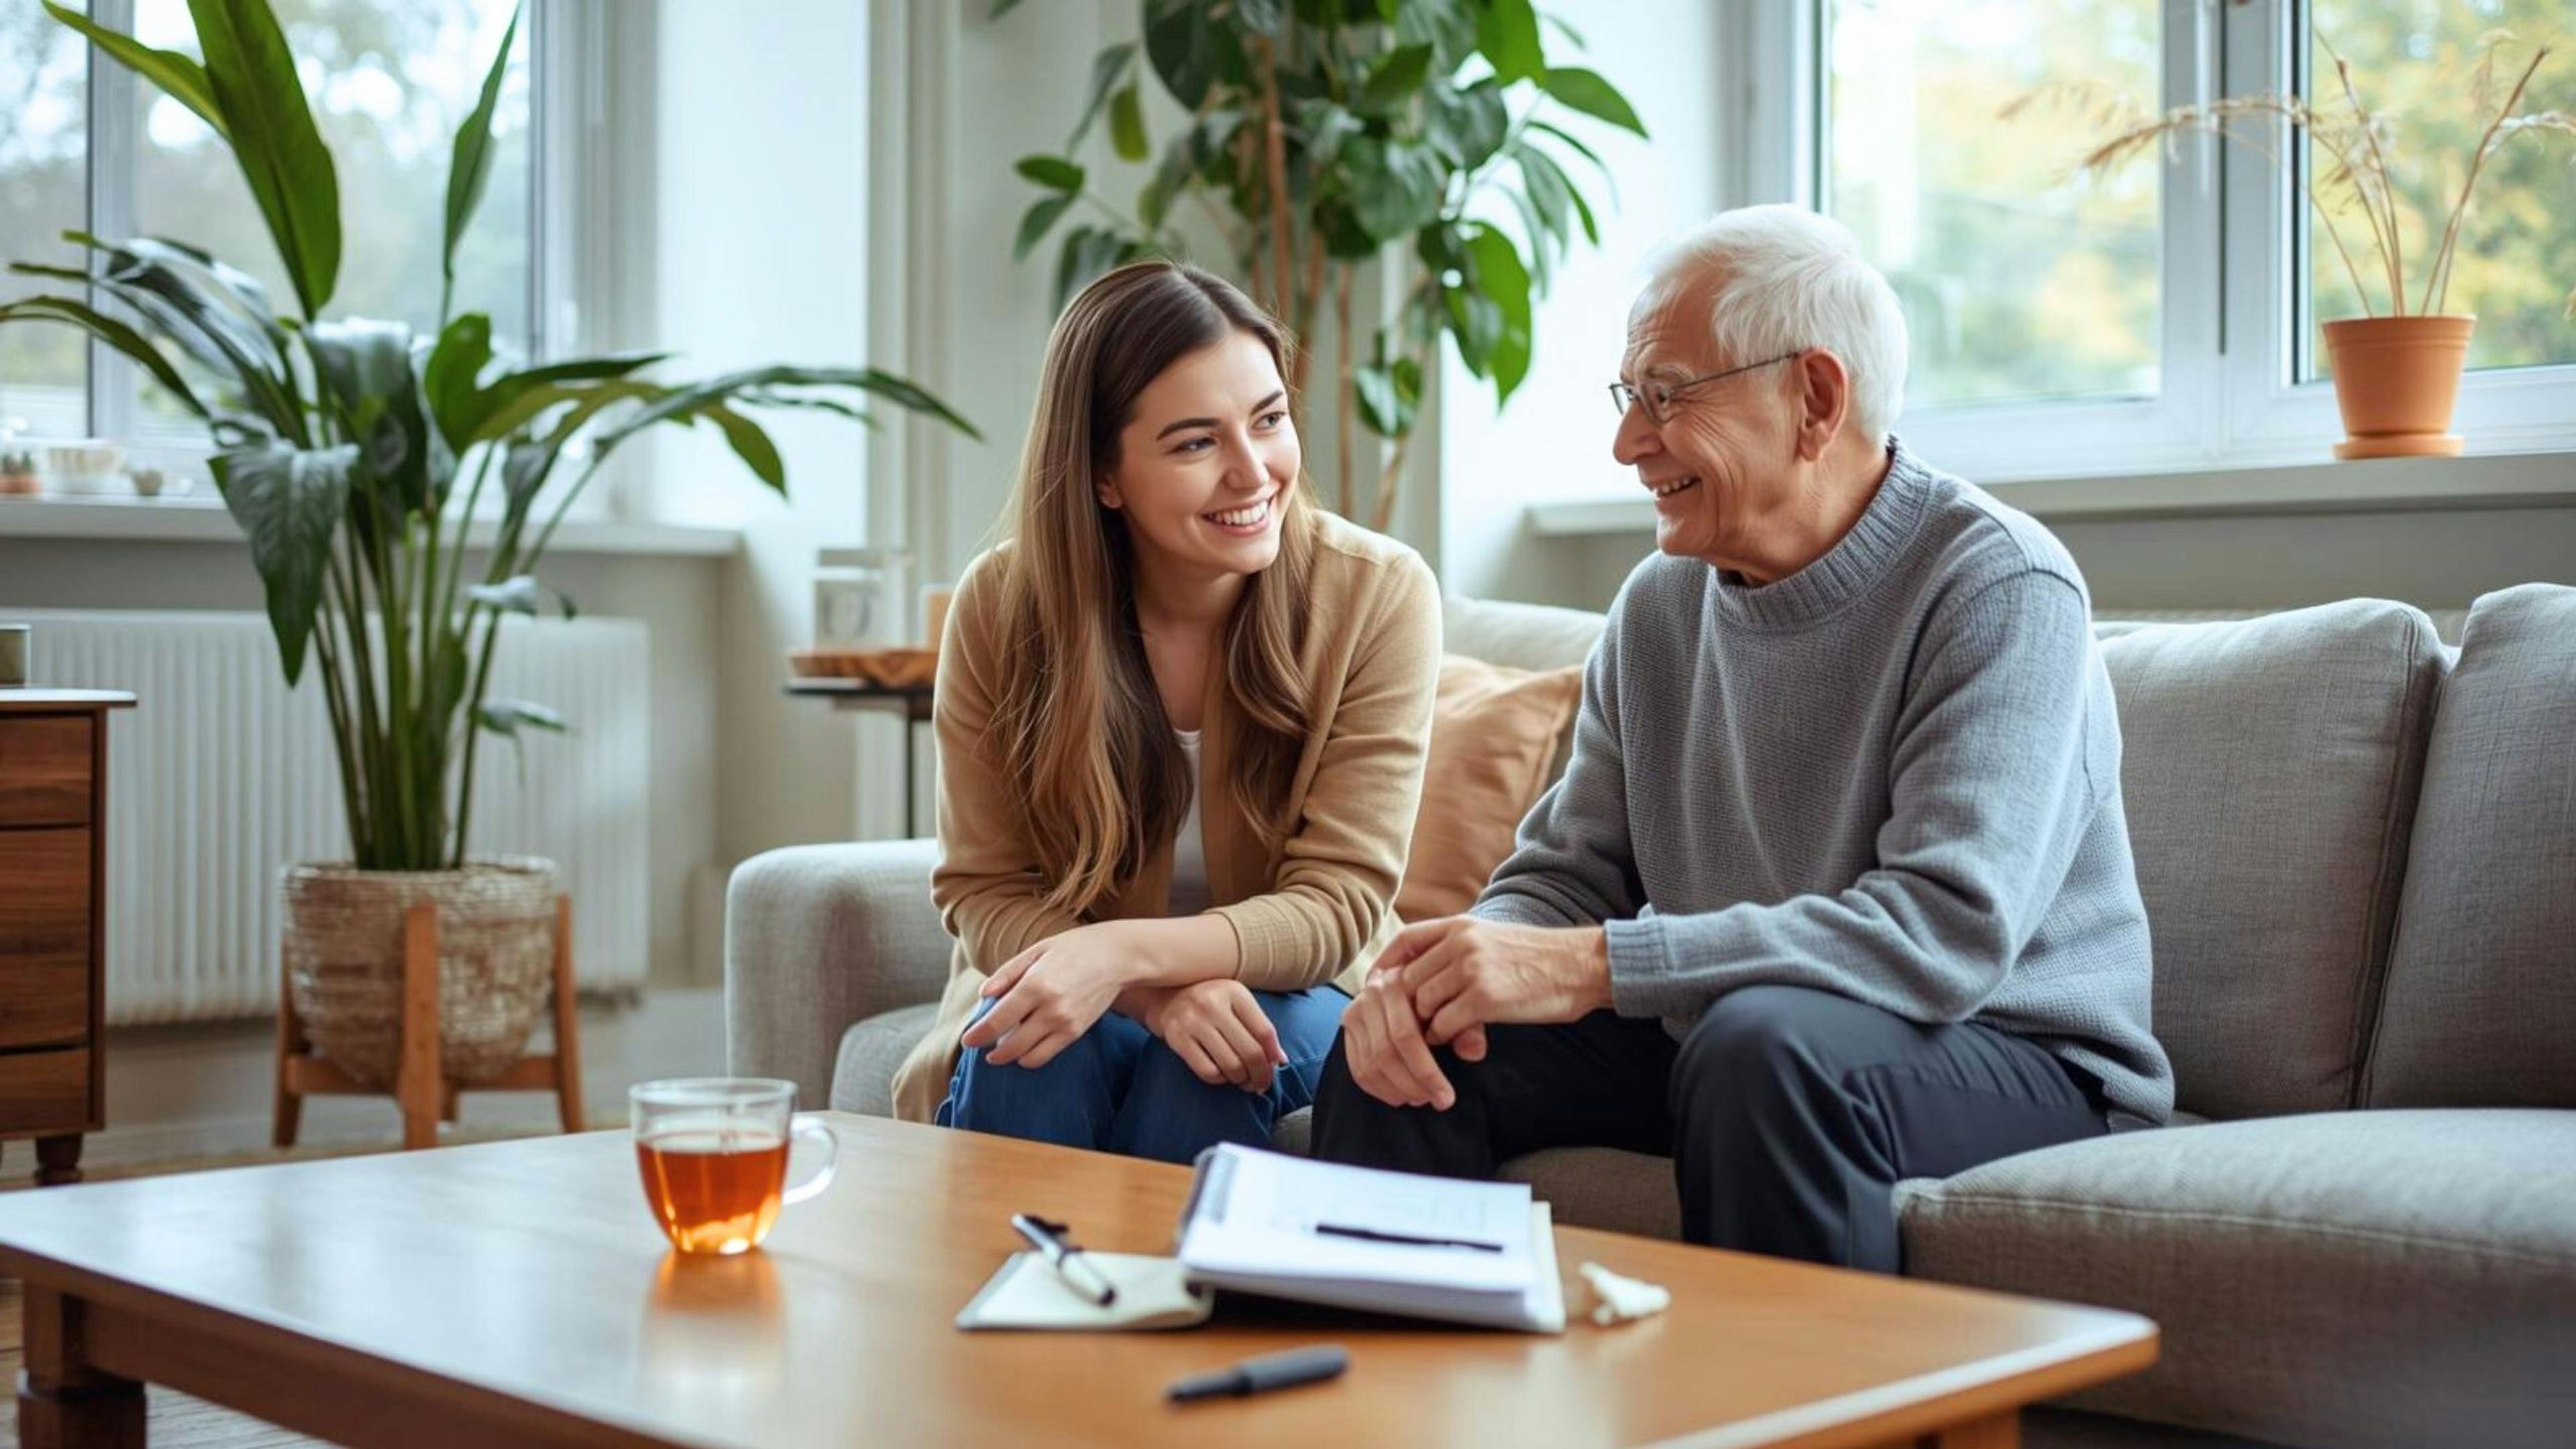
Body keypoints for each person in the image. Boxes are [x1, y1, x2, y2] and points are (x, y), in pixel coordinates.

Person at [1309, 205, 2175, 1272]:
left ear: (1813, 398)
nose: (1630, 444)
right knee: (1406, 1050)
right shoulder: (1661, 605)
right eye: (1630, 399)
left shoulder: (1998, 586)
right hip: (1734, 1036)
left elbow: (1941, 934)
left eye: (1665, 397)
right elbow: (1566, 878)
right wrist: (1452, 974)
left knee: (1763, 1048)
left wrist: (1598, 965)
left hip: (2012, 1056)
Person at [890, 260, 1441, 1165]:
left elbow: (1339, 904)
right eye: (1195, 443)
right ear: (1105, 475)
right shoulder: (1000, 606)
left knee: (1213, 1066)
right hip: (1076, 982)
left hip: (1304, 989)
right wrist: (1146, 988)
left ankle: (1178, 1304)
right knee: (1029, 1053)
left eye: (1269, 420)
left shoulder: (1378, 596)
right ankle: (1016, 1302)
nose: (1254, 471)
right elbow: (984, 887)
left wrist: (1125, 957)